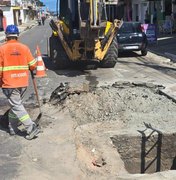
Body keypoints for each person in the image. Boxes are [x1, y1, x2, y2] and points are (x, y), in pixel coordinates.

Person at [0, 25, 40, 140]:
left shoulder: (2, 49)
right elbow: (33, 65)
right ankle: (13, 128)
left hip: (9, 84)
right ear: (17, 35)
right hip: (23, 83)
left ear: (6, 36)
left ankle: (30, 127)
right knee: (15, 106)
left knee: (16, 106)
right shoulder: (24, 48)